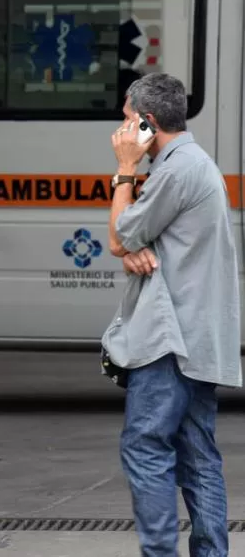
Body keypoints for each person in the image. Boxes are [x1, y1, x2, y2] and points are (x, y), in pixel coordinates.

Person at [104, 73, 242, 557]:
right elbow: (135, 241)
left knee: (145, 447)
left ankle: (159, 552)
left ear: (147, 121)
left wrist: (123, 170)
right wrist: (132, 246)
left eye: (126, 119)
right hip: (196, 336)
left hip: (171, 340)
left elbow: (121, 235)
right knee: (198, 457)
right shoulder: (190, 164)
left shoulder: (176, 169)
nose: (121, 131)